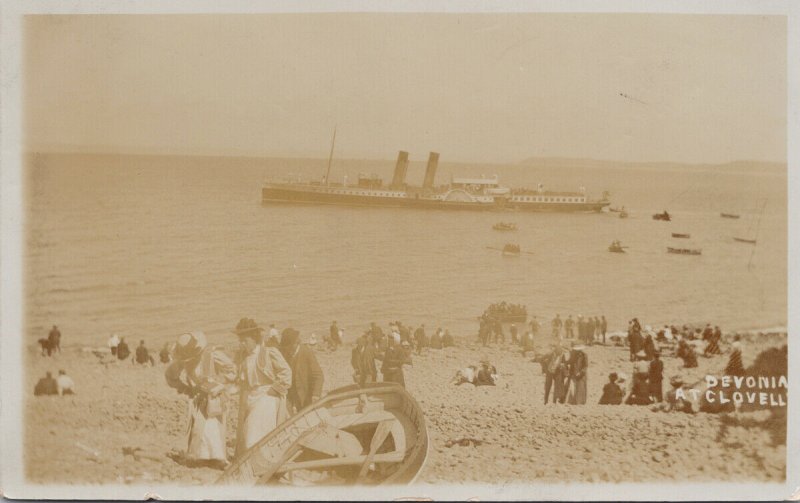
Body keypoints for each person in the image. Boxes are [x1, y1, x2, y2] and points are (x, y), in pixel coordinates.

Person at [165, 330, 237, 469]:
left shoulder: (212, 355)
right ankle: (202, 457)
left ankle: (218, 458)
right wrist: (185, 388)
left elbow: (231, 368)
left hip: (215, 397)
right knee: (200, 428)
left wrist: (220, 382)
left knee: (215, 426)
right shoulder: (184, 362)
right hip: (199, 398)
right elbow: (170, 375)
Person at [233, 319, 292, 458]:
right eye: (240, 340)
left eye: (245, 340)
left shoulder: (268, 352)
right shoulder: (243, 357)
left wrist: (275, 389)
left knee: (253, 432)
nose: (242, 344)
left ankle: (260, 461)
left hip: (267, 397)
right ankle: (256, 460)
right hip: (251, 397)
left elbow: (286, 373)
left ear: (254, 338)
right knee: (247, 430)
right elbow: (241, 380)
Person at [279, 328, 324, 415]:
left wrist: (316, 394)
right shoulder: (285, 353)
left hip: (307, 393)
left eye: (288, 346)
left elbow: (318, 375)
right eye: (285, 347)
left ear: (296, 343)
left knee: (308, 416)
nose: (286, 349)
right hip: (291, 393)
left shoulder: (306, 352)